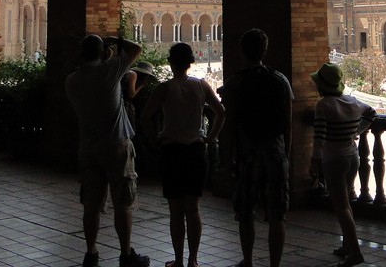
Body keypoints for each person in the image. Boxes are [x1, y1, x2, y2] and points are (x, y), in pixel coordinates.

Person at [65, 34, 151, 267]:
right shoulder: (108, 72)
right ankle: (126, 255)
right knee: (122, 203)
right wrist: (114, 40)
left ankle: (91, 253)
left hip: (88, 148)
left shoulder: (72, 80)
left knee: (91, 206)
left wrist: (104, 51)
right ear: (102, 53)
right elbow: (136, 49)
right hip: (116, 146)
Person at [139, 43, 225, 267]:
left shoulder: (165, 88)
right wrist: (210, 137)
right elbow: (221, 112)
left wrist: (154, 139)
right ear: (190, 62)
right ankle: (193, 260)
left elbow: (145, 117)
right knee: (193, 209)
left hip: (172, 151)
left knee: (176, 210)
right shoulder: (201, 85)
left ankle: (178, 260)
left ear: (171, 62)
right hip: (196, 150)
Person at [219, 28, 294, 267]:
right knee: (277, 215)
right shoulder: (280, 80)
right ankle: (275, 264)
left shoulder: (235, 83)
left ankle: (248, 261)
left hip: (248, 154)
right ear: (265, 50)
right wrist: (287, 156)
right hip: (275, 152)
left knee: (246, 213)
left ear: (242, 51)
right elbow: (288, 124)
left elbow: (228, 126)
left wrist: (226, 160)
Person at [308, 63, 377, 267]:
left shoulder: (324, 106)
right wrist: (357, 131)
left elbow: (319, 138)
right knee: (346, 202)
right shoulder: (353, 102)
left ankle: (355, 253)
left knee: (341, 206)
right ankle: (347, 245)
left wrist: (313, 161)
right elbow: (372, 113)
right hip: (351, 157)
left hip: (333, 160)